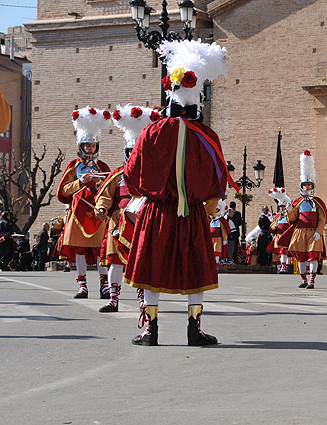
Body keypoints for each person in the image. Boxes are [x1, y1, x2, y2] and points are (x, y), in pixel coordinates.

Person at [123, 39, 233, 346]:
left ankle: (150, 330)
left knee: (150, 268)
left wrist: (148, 192)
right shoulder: (207, 136)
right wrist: (206, 204)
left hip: (156, 212)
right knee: (195, 271)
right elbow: (217, 181)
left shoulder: (151, 132)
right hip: (193, 213)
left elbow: (131, 174)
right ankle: (193, 329)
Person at [94, 104, 159, 312]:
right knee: (115, 262)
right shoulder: (117, 174)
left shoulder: (151, 175)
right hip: (117, 223)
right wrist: (102, 208)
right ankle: (113, 299)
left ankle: (143, 300)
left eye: (136, 152)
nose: (133, 156)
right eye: (130, 152)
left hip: (143, 223)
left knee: (141, 263)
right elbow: (104, 195)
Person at [57, 107, 111, 298]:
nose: (90, 149)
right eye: (87, 145)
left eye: (93, 145)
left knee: (100, 250)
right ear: (81, 146)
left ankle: (105, 285)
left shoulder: (103, 167)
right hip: (77, 212)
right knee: (79, 249)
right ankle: (82, 285)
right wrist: (81, 182)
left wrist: (97, 184)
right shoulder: (73, 166)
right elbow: (63, 191)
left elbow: (109, 190)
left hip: (97, 213)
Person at [279, 150, 327, 288]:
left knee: (313, 256)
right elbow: (292, 219)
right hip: (300, 231)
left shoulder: (317, 202)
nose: (307, 187)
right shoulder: (297, 202)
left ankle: (312, 280)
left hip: (313, 232)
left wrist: (319, 231)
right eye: (305, 185)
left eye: (309, 185)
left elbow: (322, 218)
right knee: (301, 256)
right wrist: (289, 211)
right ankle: (303, 279)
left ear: (313, 186)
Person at [267, 188, 292, 273]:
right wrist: (276, 224)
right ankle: (283, 266)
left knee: (287, 252)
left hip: (287, 235)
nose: (282, 208)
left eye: (283, 207)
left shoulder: (289, 215)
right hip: (279, 236)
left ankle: (287, 266)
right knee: (281, 252)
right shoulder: (277, 216)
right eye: (281, 207)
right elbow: (272, 227)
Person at [208, 199, 230, 264]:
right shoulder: (210, 219)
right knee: (210, 251)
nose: (215, 210)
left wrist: (224, 240)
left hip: (218, 238)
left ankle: (216, 263)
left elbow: (225, 230)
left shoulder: (221, 220)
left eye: (217, 209)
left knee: (217, 251)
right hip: (210, 237)